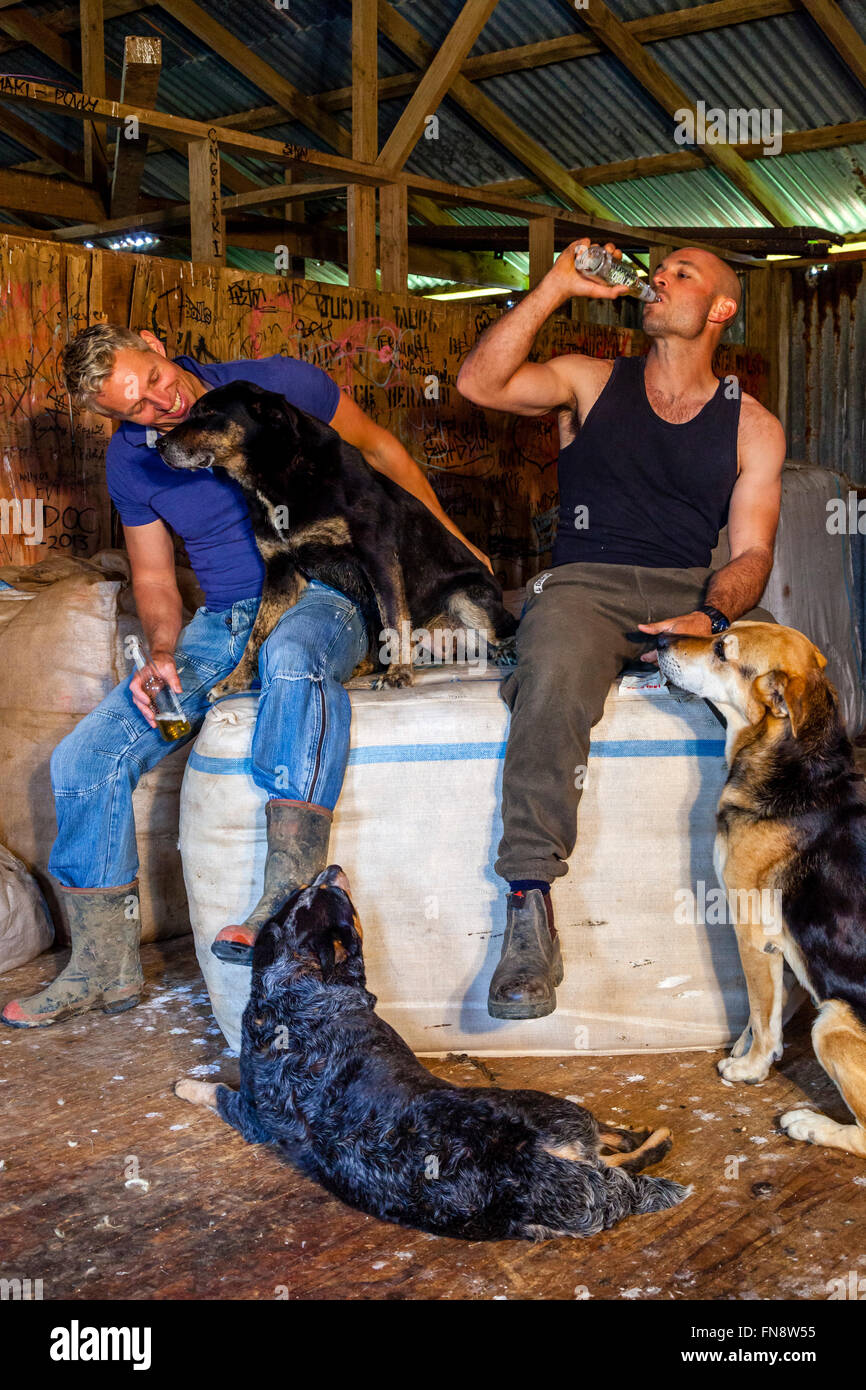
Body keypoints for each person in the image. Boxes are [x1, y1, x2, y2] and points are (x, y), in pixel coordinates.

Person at [1, 327, 488, 1029]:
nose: (159, 404)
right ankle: (104, 966)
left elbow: (381, 451)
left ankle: (286, 897)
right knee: (85, 756)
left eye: (155, 376)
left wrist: (455, 543)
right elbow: (152, 577)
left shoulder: (278, 383)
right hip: (225, 621)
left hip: (327, 591)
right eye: (135, 408)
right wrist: (164, 651)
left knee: (292, 659)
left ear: (154, 341)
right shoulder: (133, 466)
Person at [457, 239, 785, 1021]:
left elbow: (752, 552)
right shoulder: (590, 380)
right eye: (659, 270)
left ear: (721, 309)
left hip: (690, 593)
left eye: (684, 274)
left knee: (789, 674)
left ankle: (799, 882)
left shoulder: (753, 426)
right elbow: (480, 383)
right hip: (587, 586)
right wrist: (556, 285)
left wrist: (710, 617)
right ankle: (530, 909)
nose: (661, 280)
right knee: (556, 667)